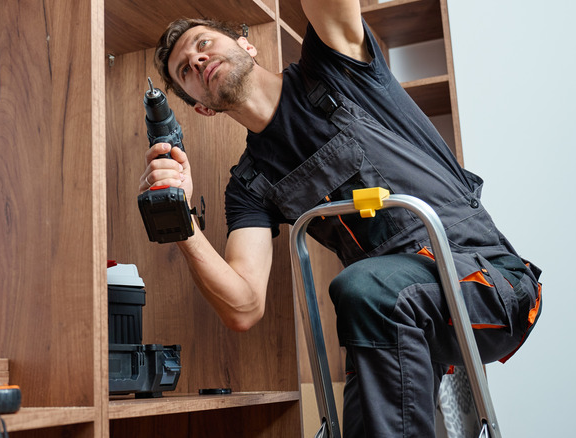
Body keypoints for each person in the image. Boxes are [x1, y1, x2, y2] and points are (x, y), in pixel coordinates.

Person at [138, 0, 542, 436]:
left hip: (492, 287)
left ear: (246, 46)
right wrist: (180, 220)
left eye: (203, 44)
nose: (197, 60)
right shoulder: (250, 185)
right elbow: (244, 306)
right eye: (185, 71)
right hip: (401, 321)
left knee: (362, 287)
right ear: (202, 108)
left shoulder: (335, 66)